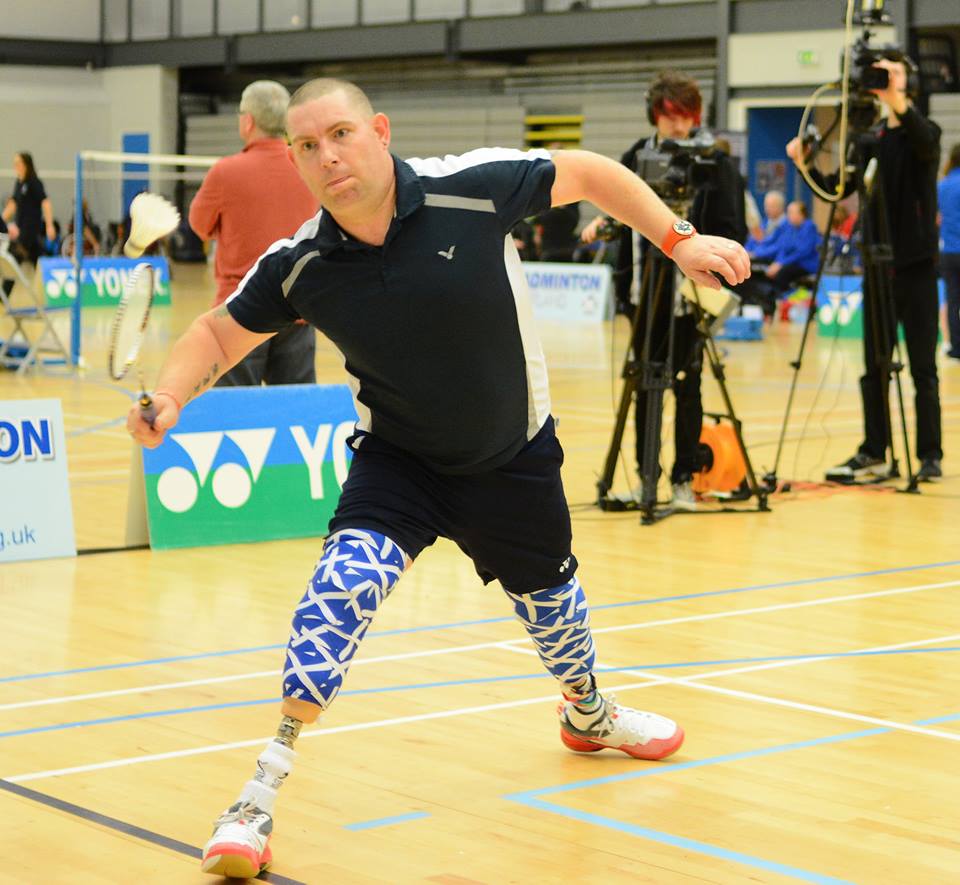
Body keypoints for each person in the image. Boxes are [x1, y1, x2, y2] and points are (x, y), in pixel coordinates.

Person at [126, 77, 749, 880]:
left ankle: (589, 712)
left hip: (512, 456)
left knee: (556, 615)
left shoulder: (472, 187)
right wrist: (172, 394)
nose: (329, 157)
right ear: (294, 157)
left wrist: (679, 240)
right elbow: (217, 331)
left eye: (342, 134)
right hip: (402, 462)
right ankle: (256, 796)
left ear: (379, 130)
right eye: (309, 147)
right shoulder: (304, 261)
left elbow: (591, 173)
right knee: (337, 594)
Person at [581, 70, 747, 509]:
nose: (680, 126)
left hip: (691, 299)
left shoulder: (714, 163)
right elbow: (618, 204)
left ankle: (682, 480)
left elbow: (733, 229)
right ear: (656, 114)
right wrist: (607, 224)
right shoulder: (636, 157)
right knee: (644, 382)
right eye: (672, 116)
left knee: (687, 384)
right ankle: (646, 480)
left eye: (688, 116)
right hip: (643, 290)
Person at [787, 56, 943, 482]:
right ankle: (875, 449)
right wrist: (805, 163)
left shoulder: (922, 133)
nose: (884, 81)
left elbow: (927, 141)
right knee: (874, 364)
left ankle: (930, 453)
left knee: (922, 368)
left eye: (892, 73)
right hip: (875, 269)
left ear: (907, 80)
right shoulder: (868, 139)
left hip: (916, 267)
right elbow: (837, 187)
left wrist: (896, 96)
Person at [189, 80, 319, 386]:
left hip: (241, 312)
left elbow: (199, 227)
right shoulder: (309, 166)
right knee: (294, 414)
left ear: (248, 121)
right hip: (298, 309)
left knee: (235, 415)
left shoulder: (225, 172)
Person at [740, 200, 821, 314]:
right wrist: (777, 262)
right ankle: (771, 304)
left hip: (805, 264)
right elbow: (782, 247)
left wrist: (781, 264)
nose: (789, 216)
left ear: (802, 214)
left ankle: (781, 305)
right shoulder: (789, 228)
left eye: (792, 212)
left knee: (782, 274)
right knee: (767, 272)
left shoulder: (809, 227)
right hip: (789, 263)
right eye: (788, 212)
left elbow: (803, 251)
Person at [2, 152, 56, 265]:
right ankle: (48, 274)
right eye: (14, 163)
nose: (15, 166)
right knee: (37, 257)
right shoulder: (19, 182)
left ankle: (8, 282)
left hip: (30, 228)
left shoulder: (34, 182)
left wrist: (49, 225)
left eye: (18, 163)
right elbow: (13, 204)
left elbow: (45, 202)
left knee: (14, 257)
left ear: (26, 164)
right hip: (21, 228)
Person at [938, 142, 960, 360]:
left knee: (952, 300)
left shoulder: (942, 185)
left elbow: (935, 218)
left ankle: (956, 347)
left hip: (948, 251)